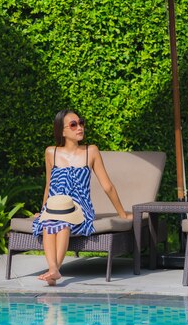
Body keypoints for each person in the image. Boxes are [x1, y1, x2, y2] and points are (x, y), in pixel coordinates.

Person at [33, 109, 133, 286]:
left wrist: (122, 214)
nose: (79, 127)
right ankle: (53, 270)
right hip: (55, 205)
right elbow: (49, 185)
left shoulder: (91, 151)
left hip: (79, 207)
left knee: (62, 224)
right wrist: (43, 211)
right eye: (73, 125)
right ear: (62, 131)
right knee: (48, 223)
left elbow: (107, 186)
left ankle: (54, 270)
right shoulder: (51, 152)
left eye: (81, 123)